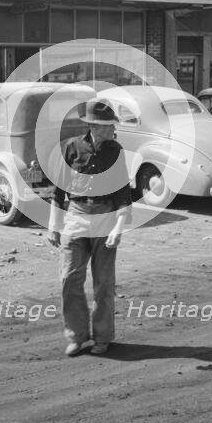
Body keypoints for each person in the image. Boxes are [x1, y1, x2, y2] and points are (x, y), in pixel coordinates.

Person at [47, 99, 132, 357]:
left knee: (104, 283)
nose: (112, 129)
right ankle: (76, 335)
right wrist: (54, 225)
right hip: (75, 217)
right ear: (93, 126)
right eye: (108, 125)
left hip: (105, 217)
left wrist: (118, 227)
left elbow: (123, 195)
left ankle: (103, 336)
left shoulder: (116, 152)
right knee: (69, 278)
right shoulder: (71, 148)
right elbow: (58, 190)